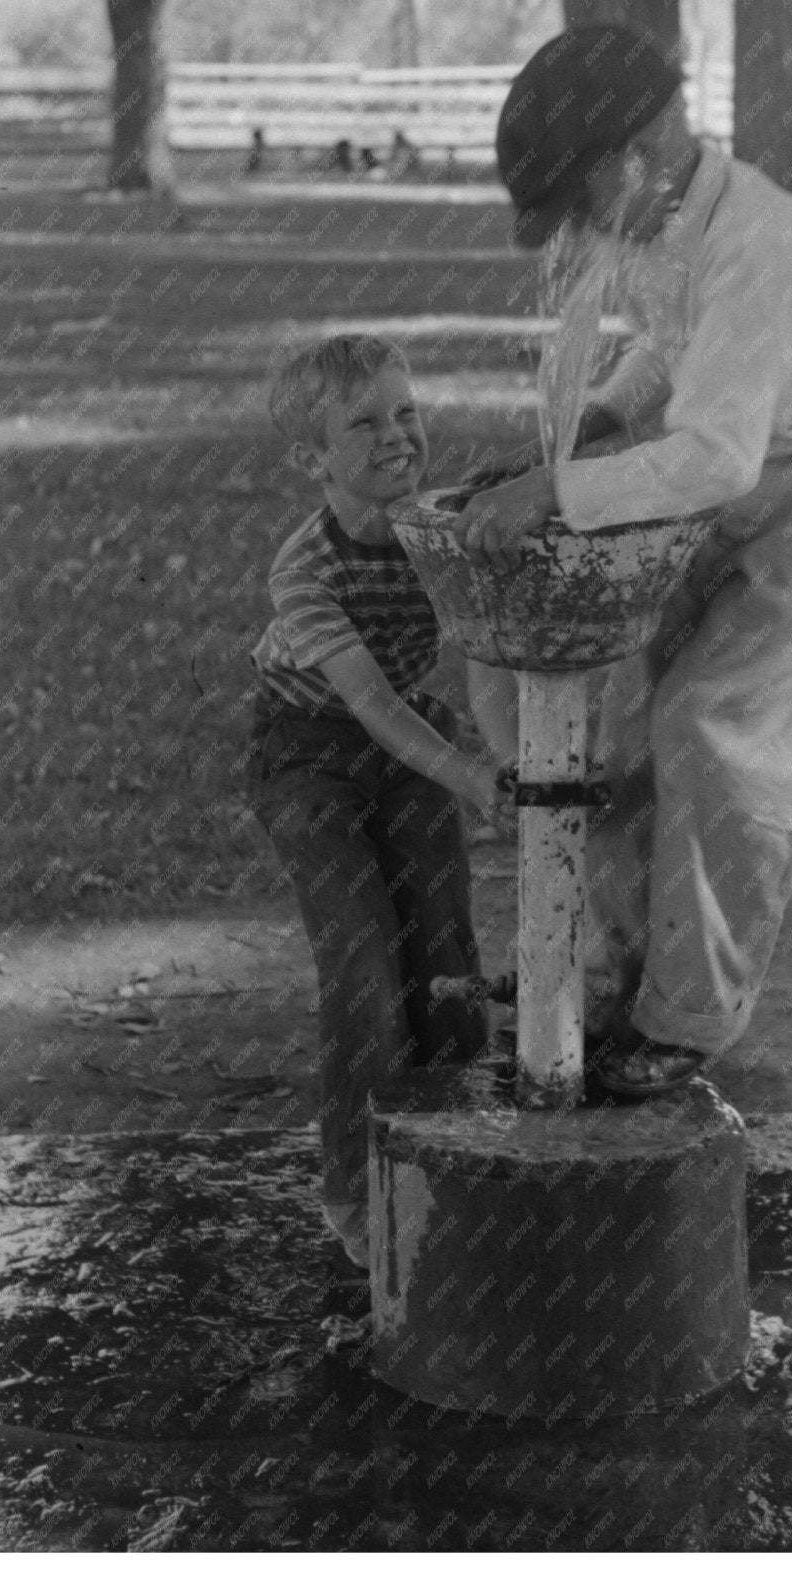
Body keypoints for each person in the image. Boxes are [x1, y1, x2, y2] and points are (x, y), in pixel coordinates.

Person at [452, 25, 792, 1100]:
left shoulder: (754, 247)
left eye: (578, 197)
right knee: (617, 714)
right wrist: (601, 418)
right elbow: (672, 349)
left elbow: (715, 452)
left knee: (714, 729)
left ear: (632, 155)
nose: (577, 225)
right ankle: (606, 973)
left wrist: (556, 491)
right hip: (732, 472)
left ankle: (688, 1018)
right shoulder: (664, 217)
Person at [245, 336, 504, 1262]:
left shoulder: (437, 531)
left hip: (408, 745)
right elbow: (371, 705)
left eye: (407, 412)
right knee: (363, 965)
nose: (397, 436)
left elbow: (486, 644)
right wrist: (473, 775)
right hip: (310, 756)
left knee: (442, 951)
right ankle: (358, 1195)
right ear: (312, 460)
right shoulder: (304, 572)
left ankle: (461, 1155)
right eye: (363, 423)